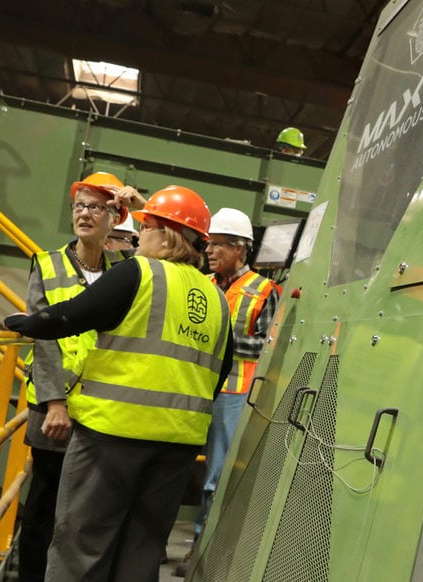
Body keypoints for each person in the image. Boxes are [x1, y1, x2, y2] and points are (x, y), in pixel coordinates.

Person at [4, 185, 233, 582]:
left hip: (112, 437)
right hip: (178, 446)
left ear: (164, 233)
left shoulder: (138, 272)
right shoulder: (217, 299)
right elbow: (220, 370)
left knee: (82, 544)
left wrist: (26, 324)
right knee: (142, 549)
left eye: (145, 227)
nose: (138, 235)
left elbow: (68, 317)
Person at [17, 171, 132, 582]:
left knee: (89, 510)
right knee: (44, 510)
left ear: (114, 216)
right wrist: (54, 404)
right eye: (79, 206)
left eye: (96, 207)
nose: (85, 214)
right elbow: (41, 338)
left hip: (102, 409)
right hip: (56, 412)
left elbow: (169, 261)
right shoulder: (47, 265)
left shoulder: (127, 268)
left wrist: (140, 204)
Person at [175, 208, 281, 577]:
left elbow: (265, 346)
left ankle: (201, 553)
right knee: (171, 470)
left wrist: (218, 341)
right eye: (209, 244)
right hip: (193, 390)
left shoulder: (264, 290)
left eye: (218, 245)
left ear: (240, 249)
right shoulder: (202, 283)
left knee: (215, 478)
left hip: (233, 393)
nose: (210, 252)